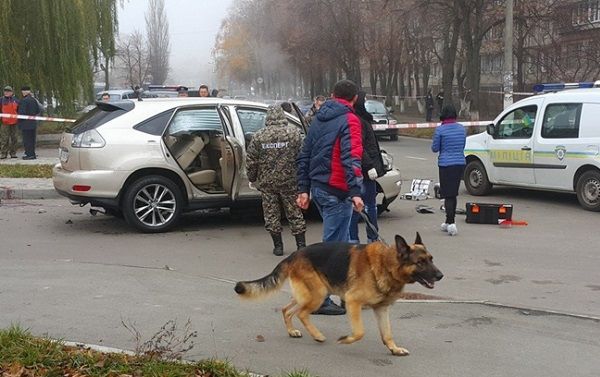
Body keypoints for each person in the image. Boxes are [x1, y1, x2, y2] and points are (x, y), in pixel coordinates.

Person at [296, 79, 364, 315]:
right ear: (354, 99)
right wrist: (356, 192)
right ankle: (319, 298)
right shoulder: (350, 120)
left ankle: (347, 295)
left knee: (343, 245)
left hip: (320, 188)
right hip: (338, 190)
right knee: (333, 248)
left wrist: (303, 188)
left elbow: (305, 154)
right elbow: (351, 159)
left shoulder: (318, 119)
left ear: (332, 95)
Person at [247, 105, 306, 256]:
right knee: (294, 213)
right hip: (290, 181)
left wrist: (252, 178)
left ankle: (278, 247)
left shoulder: (259, 136)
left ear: (267, 117)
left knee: (271, 214)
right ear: (283, 116)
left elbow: (251, 160)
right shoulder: (293, 134)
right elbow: (302, 156)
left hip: (268, 183)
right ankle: (301, 245)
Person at [349, 91, 385, 244]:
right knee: (366, 206)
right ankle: (367, 238)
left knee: (362, 206)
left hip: (363, 169)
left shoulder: (360, 119)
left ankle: (357, 239)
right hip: (363, 170)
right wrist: (369, 165)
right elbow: (359, 146)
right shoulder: (358, 120)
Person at [431, 104, 466, 236]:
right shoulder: (462, 129)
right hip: (459, 163)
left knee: (447, 194)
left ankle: (451, 223)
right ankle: (448, 221)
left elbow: (435, 148)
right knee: (453, 193)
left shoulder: (440, 130)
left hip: (445, 164)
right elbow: (463, 145)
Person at [18, 86, 40, 160]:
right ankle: (32, 153)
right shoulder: (34, 100)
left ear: (23, 92)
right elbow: (38, 110)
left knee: (27, 140)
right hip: (33, 123)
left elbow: (22, 113)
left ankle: (29, 154)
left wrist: (19, 120)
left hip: (25, 124)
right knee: (32, 139)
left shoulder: (24, 101)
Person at [0, 86, 19, 159]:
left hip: (15, 122)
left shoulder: (16, 100)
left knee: (15, 138)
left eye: (8, 91)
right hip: (5, 123)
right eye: (5, 91)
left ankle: (13, 153)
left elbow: (19, 110)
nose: (6, 92)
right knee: (4, 139)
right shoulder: (1, 100)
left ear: (12, 92)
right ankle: (3, 154)